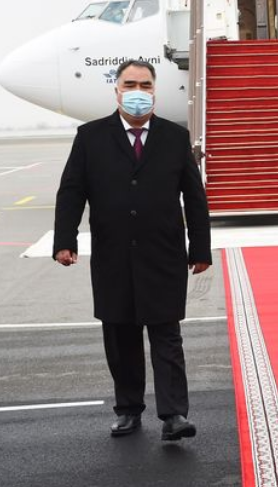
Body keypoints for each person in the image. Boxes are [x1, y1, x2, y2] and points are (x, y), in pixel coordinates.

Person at [53, 59, 211, 441]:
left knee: (167, 337)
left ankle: (174, 415)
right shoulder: (90, 137)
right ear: (117, 90)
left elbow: (194, 196)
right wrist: (64, 241)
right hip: (113, 256)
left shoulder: (175, 137)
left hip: (163, 255)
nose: (137, 92)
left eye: (145, 85)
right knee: (121, 338)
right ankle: (128, 410)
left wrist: (200, 248)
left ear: (154, 90)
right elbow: (71, 191)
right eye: (130, 84)